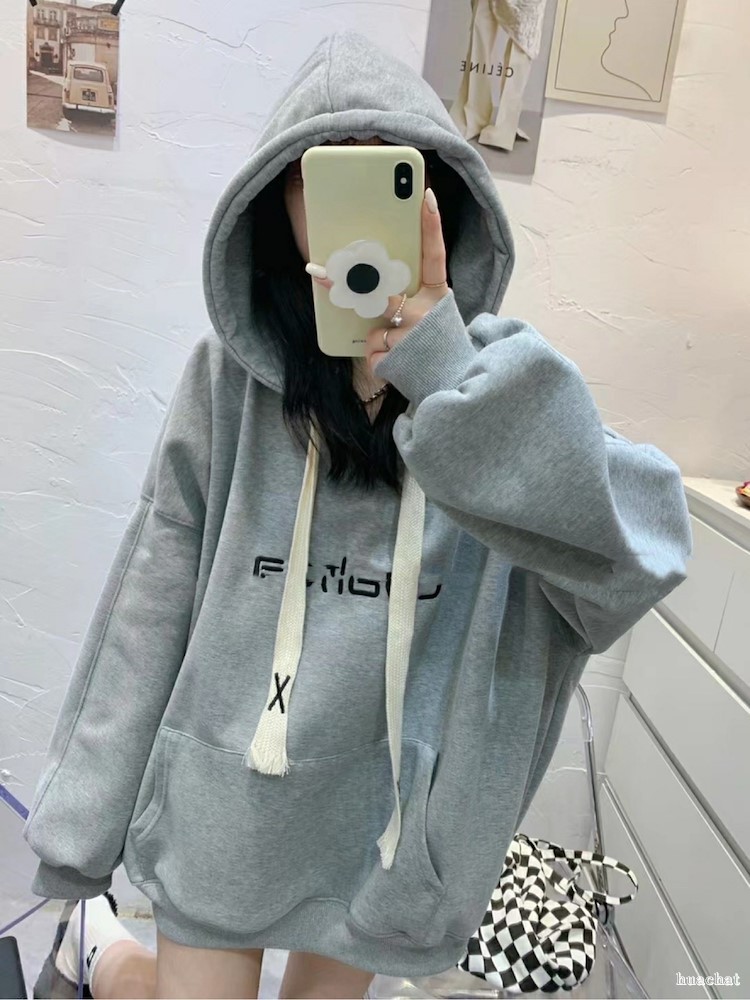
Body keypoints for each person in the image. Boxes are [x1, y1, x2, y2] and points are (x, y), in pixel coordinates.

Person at [24, 28, 692, 1000]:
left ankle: (104, 951)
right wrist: (82, 826)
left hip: (385, 824)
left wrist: (446, 374)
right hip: (224, 799)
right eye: (322, 181)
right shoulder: (228, 382)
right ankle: (104, 949)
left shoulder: (497, 384)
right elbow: (150, 598)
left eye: (389, 178)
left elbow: (641, 551)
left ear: (440, 195)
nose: (349, 216)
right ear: (278, 204)